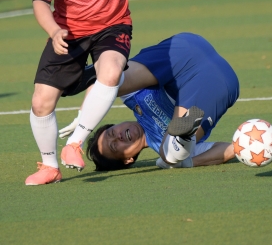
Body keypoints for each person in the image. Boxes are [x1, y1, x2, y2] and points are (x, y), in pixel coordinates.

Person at [25, 0, 178, 186]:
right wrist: (54, 30)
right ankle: (49, 166)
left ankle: (75, 144)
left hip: (114, 22)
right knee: (42, 102)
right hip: (70, 31)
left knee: (110, 71)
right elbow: (41, 1)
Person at [59, 32, 239, 172]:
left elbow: (105, 90)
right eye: (115, 145)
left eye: (112, 132)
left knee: (114, 84)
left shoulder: (132, 99)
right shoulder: (158, 143)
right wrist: (241, 147)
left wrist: (83, 117)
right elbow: (223, 149)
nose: (118, 136)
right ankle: (180, 141)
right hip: (214, 84)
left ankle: (93, 72)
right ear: (128, 160)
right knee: (170, 155)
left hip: (184, 50)